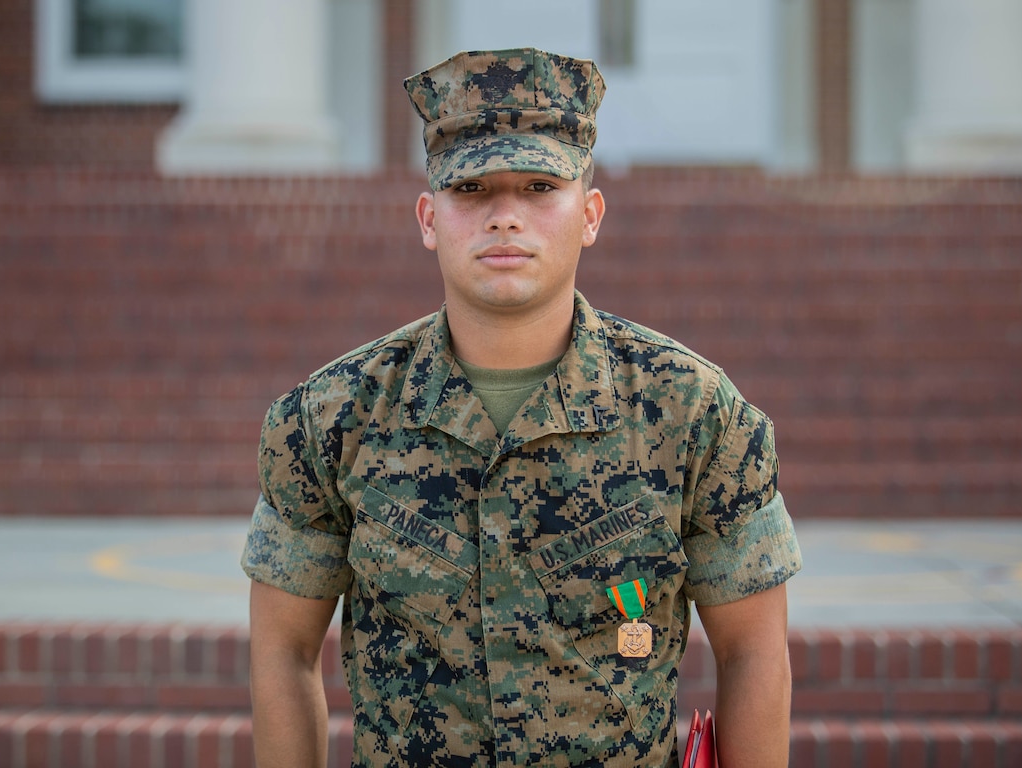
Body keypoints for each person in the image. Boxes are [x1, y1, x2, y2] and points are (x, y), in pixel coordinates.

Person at [241, 47, 802, 767]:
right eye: (472, 189)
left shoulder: (694, 415)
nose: (506, 217)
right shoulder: (327, 422)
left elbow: (754, 651)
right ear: (427, 217)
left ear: (591, 214)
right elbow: (284, 653)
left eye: (540, 186)